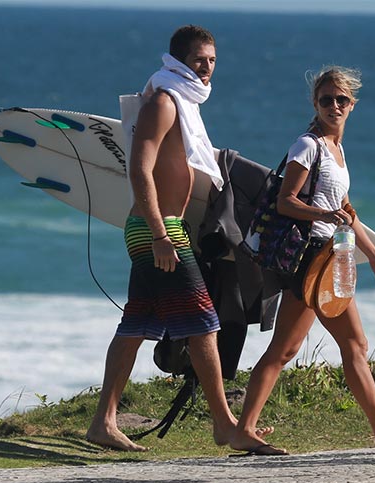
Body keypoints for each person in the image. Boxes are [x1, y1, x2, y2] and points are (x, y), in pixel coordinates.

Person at [230, 66, 375, 456]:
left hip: (329, 259)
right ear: (315, 103)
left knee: (286, 350)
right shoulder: (308, 146)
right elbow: (285, 201)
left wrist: (374, 257)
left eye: (341, 100)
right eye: (327, 100)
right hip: (312, 259)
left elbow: (346, 210)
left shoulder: (337, 151)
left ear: (352, 105)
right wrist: (323, 216)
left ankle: (246, 429)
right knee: (352, 343)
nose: (334, 106)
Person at [87, 25, 272, 452]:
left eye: (211, 60)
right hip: (157, 230)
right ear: (177, 61)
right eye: (198, 60)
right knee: (205, 324)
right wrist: (160, 233)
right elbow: (139, 169)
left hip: (162, 229)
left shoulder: (180, 100)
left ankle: (103, 421)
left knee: (135, 326)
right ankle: (225, 424)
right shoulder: (165, 102)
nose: (206, 68)